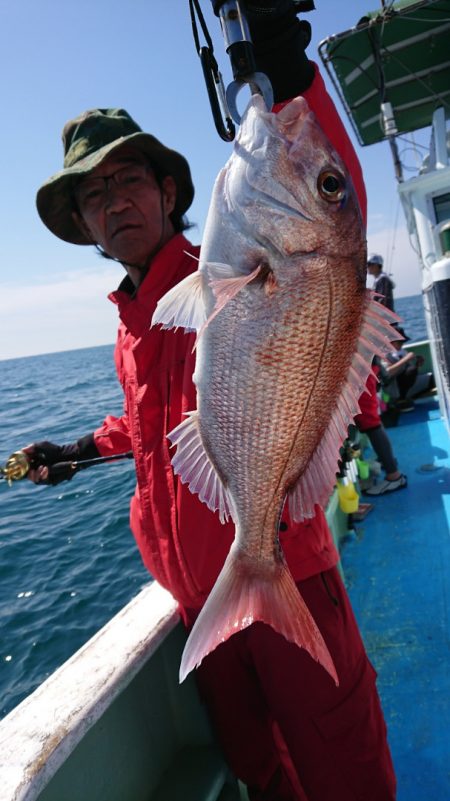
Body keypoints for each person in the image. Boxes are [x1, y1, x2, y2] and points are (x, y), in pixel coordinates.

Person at [22, 3, 396, 799]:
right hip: (205, 602)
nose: (114, 202)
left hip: (285, 563)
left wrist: (286, 72)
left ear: (168, 190)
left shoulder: (222, 268)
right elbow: (153, 428)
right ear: (85, 226)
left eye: (127, 180)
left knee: (345, 772)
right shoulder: (132, 321)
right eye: (93, 197)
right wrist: (80, 449)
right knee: (264, 773)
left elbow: (334, 217)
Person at [355, 365, 407, 496]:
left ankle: (394, 476)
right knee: (372, 422)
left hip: (360, 372)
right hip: (363, 370)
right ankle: (388, 462)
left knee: (370, 423)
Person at [381, 326, 435, 411]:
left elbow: (410, 372)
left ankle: (405, 399)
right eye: (399, 342)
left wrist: (417, 364)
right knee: (410, 371)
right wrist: (406, 359)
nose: (402, 344)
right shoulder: (383, 354)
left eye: (403, 342)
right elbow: (388, 372)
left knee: (433, 379)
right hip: (392, 390)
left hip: (405, 387)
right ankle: (399, 401)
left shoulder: (402, 352)